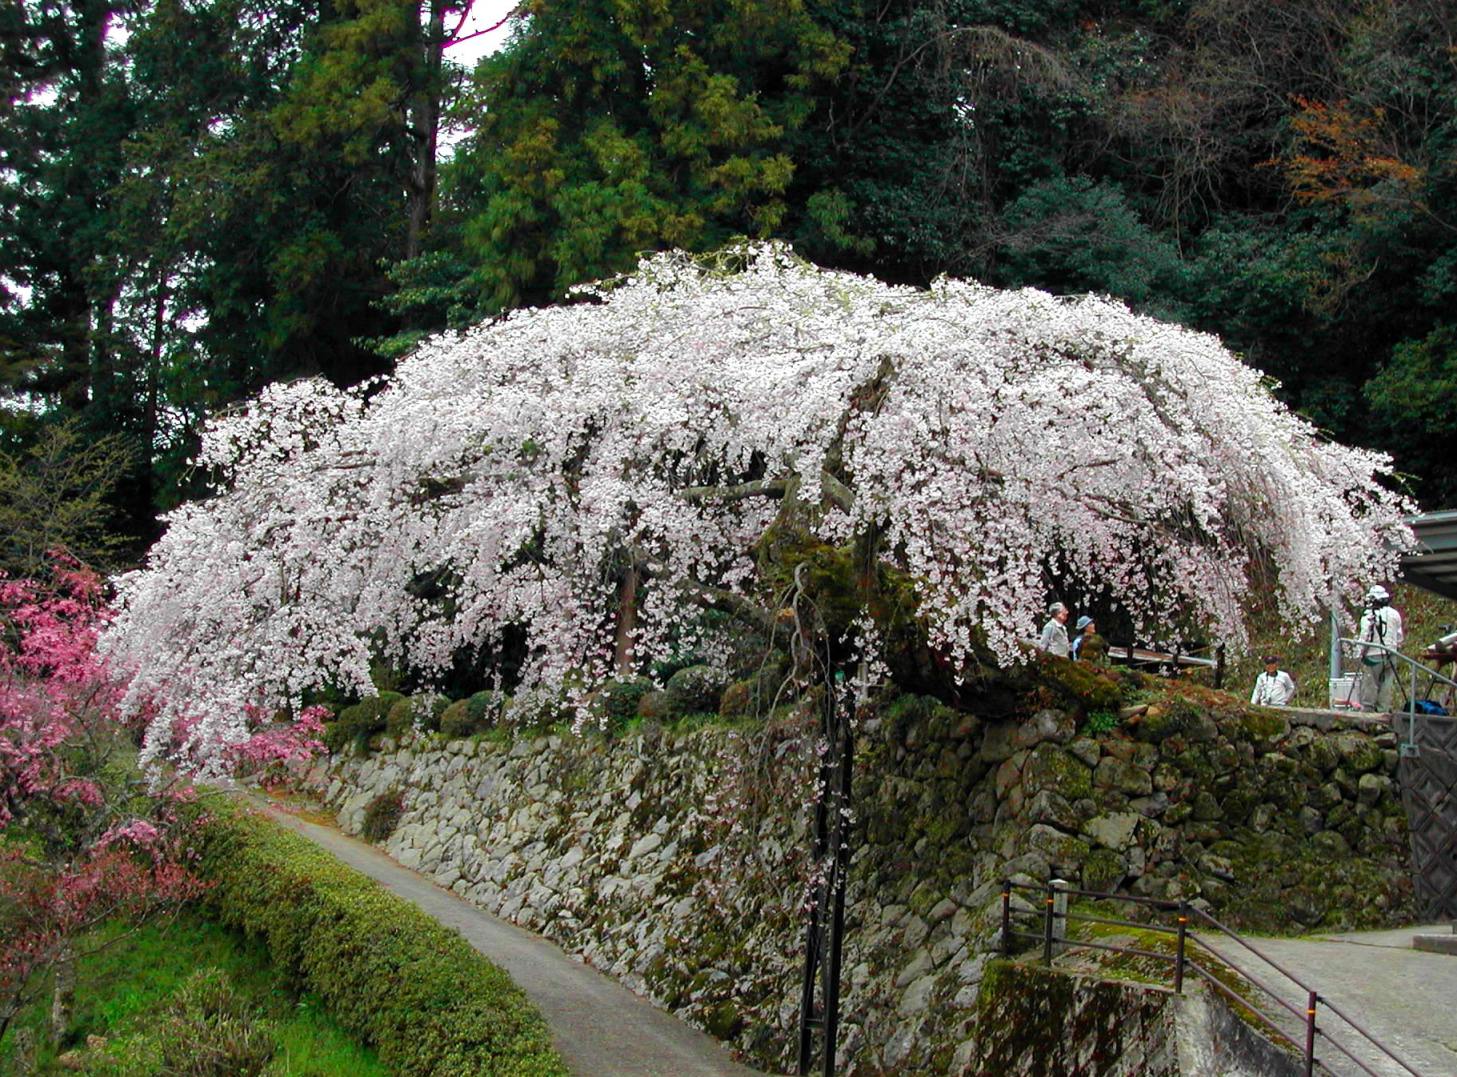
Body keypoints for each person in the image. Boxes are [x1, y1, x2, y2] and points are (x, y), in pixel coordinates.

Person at [1357, 584, 1404, 712]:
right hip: (1391, 654)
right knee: (1387, 684)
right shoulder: (1395, 614)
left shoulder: (1368, 616)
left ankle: (1368, 710)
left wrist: (1359, 652)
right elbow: (1399, 637)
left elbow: (1364, 637)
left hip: (1372, 655)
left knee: (1370, 683)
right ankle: (1383, 710)